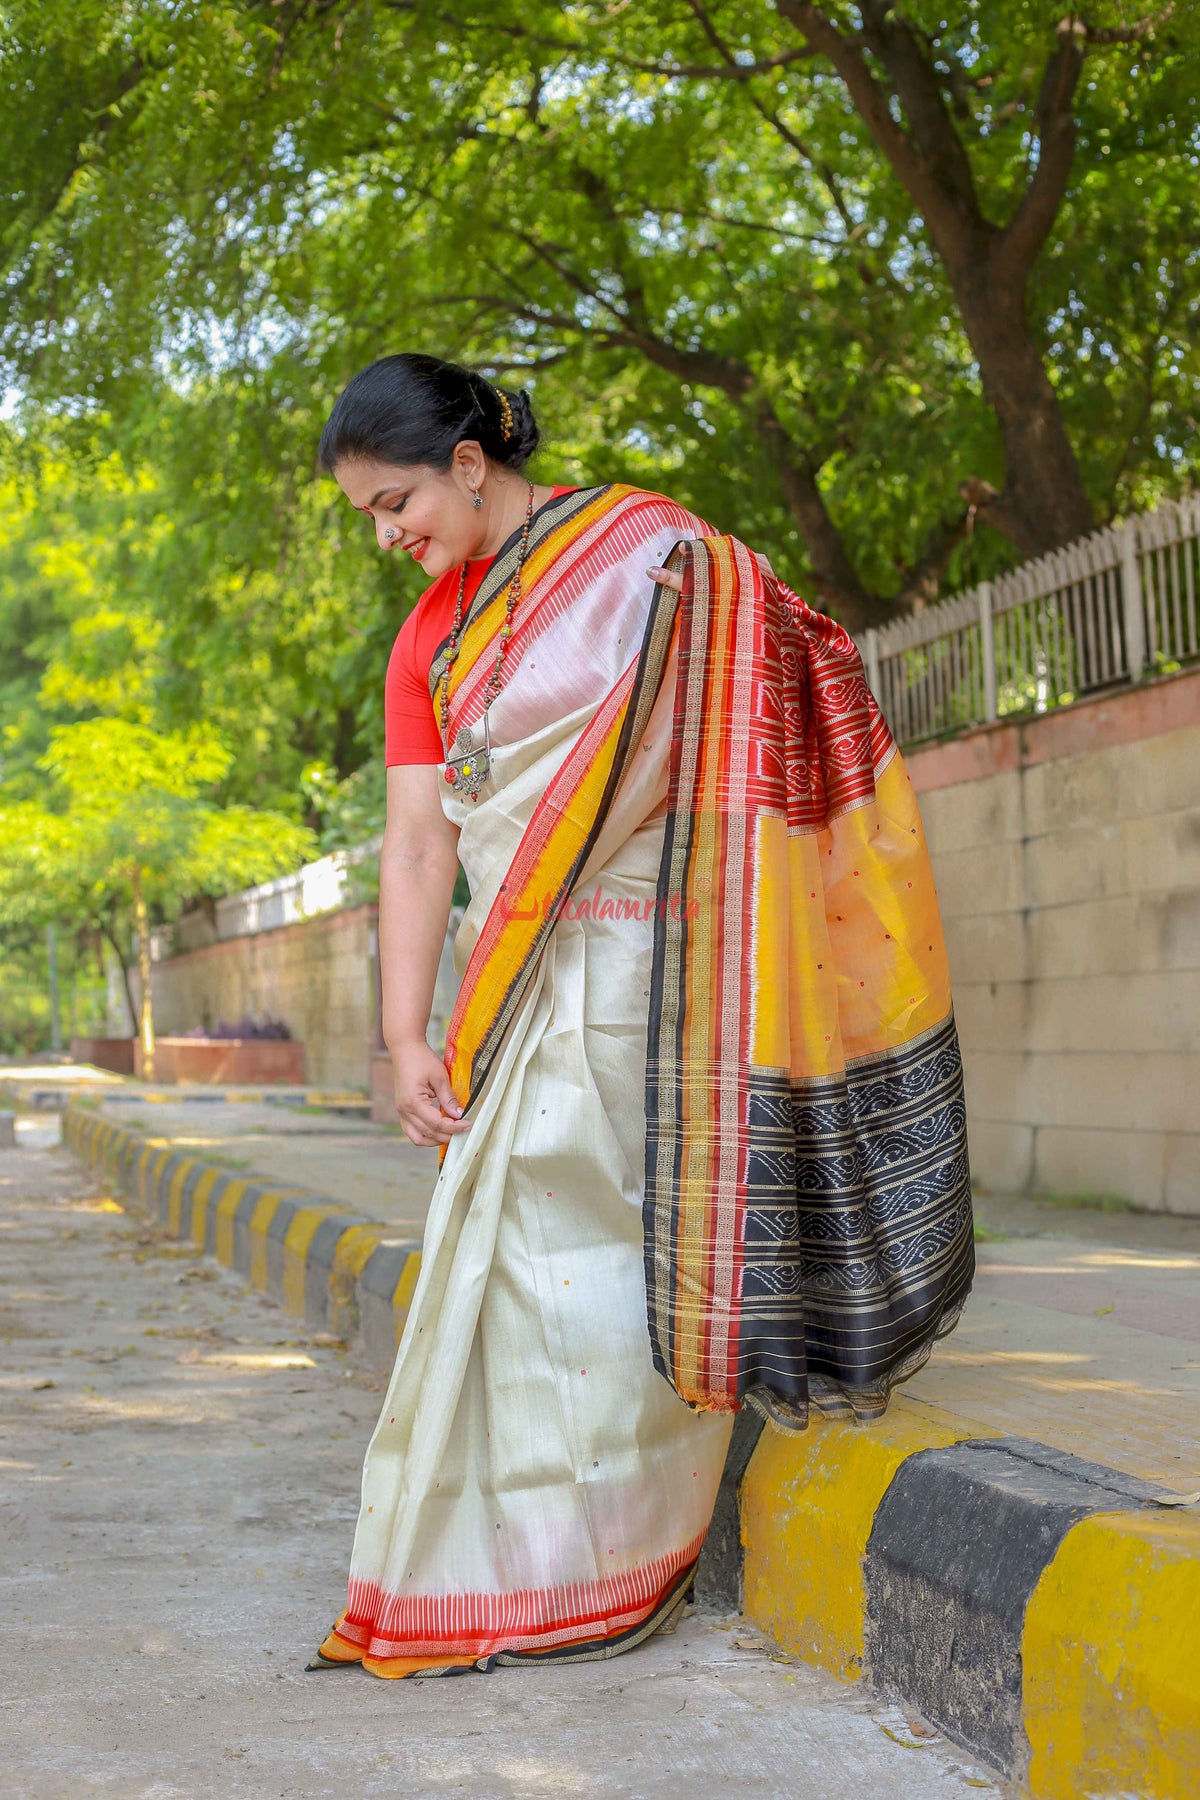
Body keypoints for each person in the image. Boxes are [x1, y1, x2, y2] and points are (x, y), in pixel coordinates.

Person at [307, 353, 974, 1680]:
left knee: (628, 1272)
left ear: (468, 461)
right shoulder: (431, 637)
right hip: (518, 992)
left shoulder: (660, 561)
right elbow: (418, 847)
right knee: (513, 1276)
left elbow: (775, 699)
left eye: (396, 503)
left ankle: (605, 1556)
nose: (390, 537)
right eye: (369, 518)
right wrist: (402, 1034)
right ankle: (500, 1563)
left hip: (674, 987)